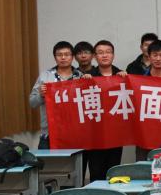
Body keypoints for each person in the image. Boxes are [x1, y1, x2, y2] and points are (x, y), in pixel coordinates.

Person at [82, 40, 126, 182]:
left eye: (108, 52)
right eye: (100, 53)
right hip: (95, 134)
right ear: (95, 56)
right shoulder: (88, 76)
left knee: (113, 171)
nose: (104, 55)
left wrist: (127, 79)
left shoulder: (122, 76)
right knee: (96, 172)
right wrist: (83, 82)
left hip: (115, 133)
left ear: (113, 55)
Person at [29, 41, 82, 149]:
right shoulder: (45, 76)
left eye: (67, 54)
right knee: (47, 160)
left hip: (74, 133)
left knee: (75, 161)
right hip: (48, 134)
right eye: (59, 55)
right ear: (55, 57)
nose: (63, 57)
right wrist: (41, 95)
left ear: (72, 57)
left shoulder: (80, 77)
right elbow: (32, 103)